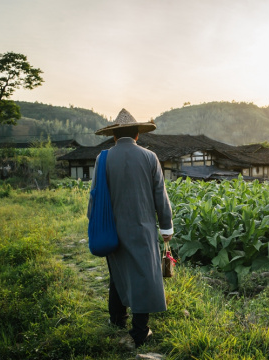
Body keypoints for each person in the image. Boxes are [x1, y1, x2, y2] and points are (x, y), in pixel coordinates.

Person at [87, 109, 173, 348]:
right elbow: (160, 196)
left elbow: (94, 196)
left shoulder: (102, 158)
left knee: (117, 272)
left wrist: (93, 222)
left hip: (112, 228)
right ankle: (140, 330)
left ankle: (117, 319)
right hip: (142, 229)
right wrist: (166, 226)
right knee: (143, 276)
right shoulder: (149, 157)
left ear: (114, 136)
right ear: (137, 134)